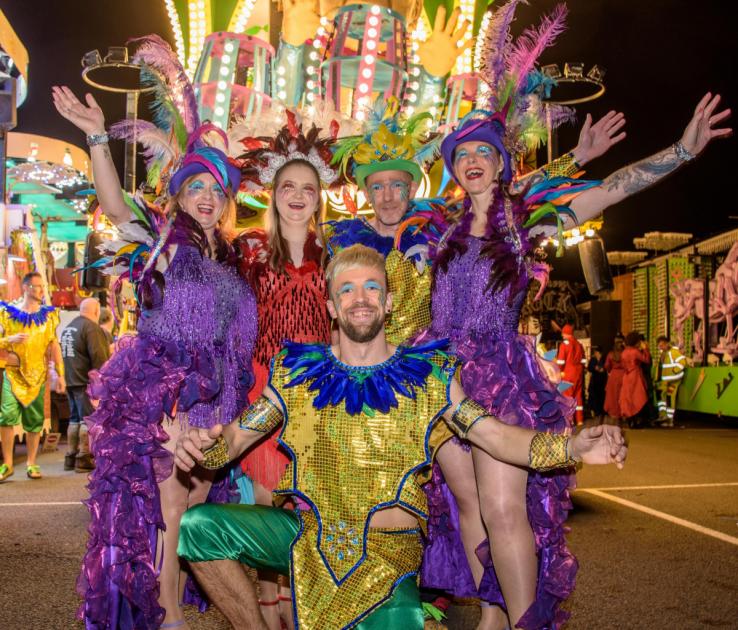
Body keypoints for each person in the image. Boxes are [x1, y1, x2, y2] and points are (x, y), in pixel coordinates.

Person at [420, 3, 731, 628]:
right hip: (437, 375)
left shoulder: (526, 223)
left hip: (498, 374)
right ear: (453, 169)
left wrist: (681, 152)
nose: (473, 160)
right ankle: (490, 615)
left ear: (503, 163)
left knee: (505, 507)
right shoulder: (438, 229)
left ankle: (527, 621)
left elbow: (611, 188)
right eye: (462, 154)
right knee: (467, 506)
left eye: (485, 151)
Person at [173, 245, 628, 629]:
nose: (360, 298)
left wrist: (571, 446)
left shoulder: (429, 377)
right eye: (346, 289)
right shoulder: (296, 373)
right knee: (199, 529)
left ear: (389, 302)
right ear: (331, 307)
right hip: (306, 539)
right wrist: (200, 447)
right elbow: (233, 440)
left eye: (372, 287)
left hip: (387, 562)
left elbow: (496, 437)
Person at [53, 35, 258, 629]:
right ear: (178, 195)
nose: (205, 197)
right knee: (166, 513)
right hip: (163, 395)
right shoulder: (166, 248)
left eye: (215, 190)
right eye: (194, 186)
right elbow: (117, 210)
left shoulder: (231, 263)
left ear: (226, 201)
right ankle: (166, 621)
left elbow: (233, 344)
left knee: (190, 513)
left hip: (212, 402)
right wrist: (97, 137)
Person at [235, 114, 337, 628]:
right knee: (265, 501)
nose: (298, 196)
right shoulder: (249, 252)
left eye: (308, 188)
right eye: (288, 187)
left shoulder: (336, 255)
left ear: (320, 197)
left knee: (306, 503)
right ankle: (270, 603)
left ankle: (301, 602)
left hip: (319, 391)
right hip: (264, 387)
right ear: (273, 193)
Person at [0, 273, 67, 481]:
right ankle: (8, 464)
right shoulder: (6, 314)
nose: (42, 291)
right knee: (6, 417)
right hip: (12, 374)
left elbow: (54, 346)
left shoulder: (49, 316)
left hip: (37, 375)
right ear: (27, 288)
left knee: (34, 421)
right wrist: (8, 339)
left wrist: (60, 374)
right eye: (38, 287)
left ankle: (31, 462)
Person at [59, 297, 110, 472]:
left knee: (74, 419)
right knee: (87, 420)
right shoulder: (91, 328)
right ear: (96, 311)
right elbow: (100, 357)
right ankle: (84, 457)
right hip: (85, 382)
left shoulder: (69, 327)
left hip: (71, 380)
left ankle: (70, 456)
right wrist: (103, 380)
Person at [556, 324, 586, 425]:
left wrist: (558, 373)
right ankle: (580, 420)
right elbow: (583, 360)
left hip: (568, 374)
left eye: (563, 333)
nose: (562, 335)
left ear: (565, 333)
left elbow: (560, 362)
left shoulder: (564, 345)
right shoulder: (579, 344)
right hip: (579, 374)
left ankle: (569, 420)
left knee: (567, 398)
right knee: (578, 397)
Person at [619, 332, 651, 428]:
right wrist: (646, 349)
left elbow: (623, 365)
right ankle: (637, 419)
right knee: (638, 396)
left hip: (627, 375)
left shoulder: (624, 352)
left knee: (628, 397)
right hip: (635, 375)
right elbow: (646, 360)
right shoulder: (635, 351)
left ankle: (630, 419)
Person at [655, 335, 687, 427]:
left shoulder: (673, 352)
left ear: (667, 343)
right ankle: (663, 417)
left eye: (662, 345)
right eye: (659, 346)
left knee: (669, 398)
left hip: (673, 381)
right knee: (662, 399)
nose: (660, 347)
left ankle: (669, 419)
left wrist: (674, 371)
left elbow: (682, 362)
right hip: (665, 382)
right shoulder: (664, 354)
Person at [604, 334, 626, 420]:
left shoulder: (610, 354)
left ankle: (614, 413)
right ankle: (623, 412)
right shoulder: (625, 354)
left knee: (613, 395)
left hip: (613, 376)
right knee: (623, 395)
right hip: (624, 375)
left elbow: (607, 366)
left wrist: (610, 371)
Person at [587, 345, 607, 421]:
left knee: (602, 395)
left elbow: (607, 366)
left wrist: (603, 369)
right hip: (595, 380)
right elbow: (589, 368)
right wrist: (595, 368)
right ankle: (596, 411)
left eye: (596, 352)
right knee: (594, 395)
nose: (595, 353)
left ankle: (602, 411)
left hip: (602, 380)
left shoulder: (604, 358)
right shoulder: (593, 359)